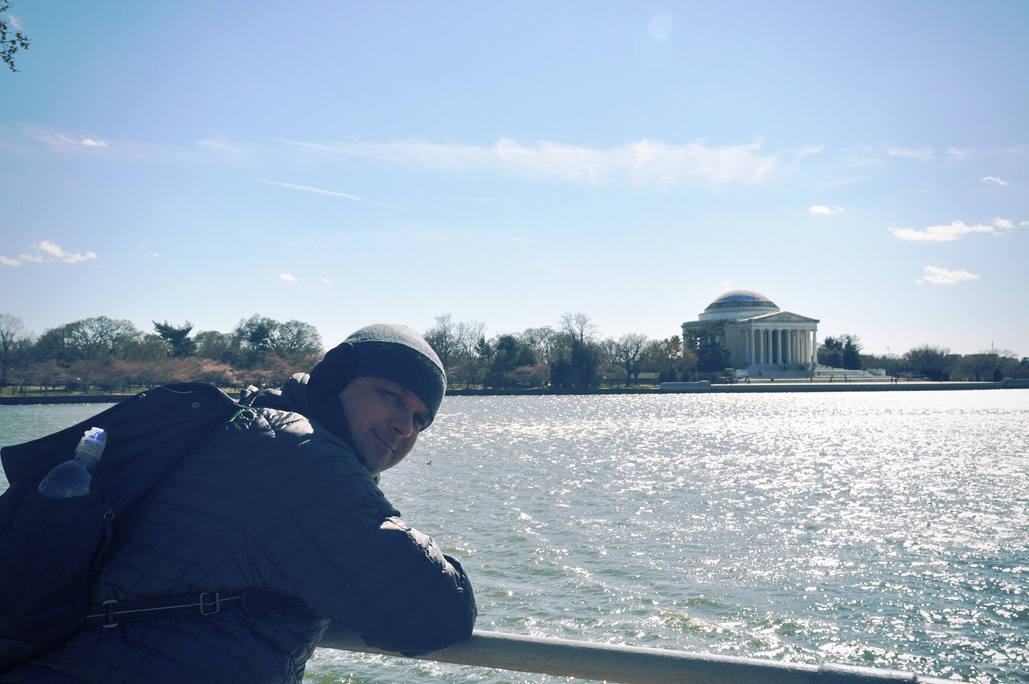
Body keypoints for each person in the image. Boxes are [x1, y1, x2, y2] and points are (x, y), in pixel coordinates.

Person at [4, 324, 476, 683]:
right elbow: (434, 614)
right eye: (391, 396)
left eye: (421, 417)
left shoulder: (245, 427)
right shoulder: (296, 452)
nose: (405, 427)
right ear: (334, 380)